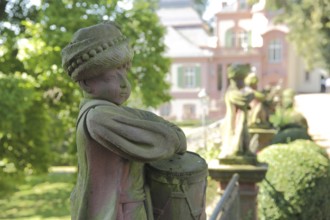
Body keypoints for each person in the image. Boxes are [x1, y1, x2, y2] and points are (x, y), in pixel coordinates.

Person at [61, 22, 186, 220]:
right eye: (113, 75)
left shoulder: (114, 112)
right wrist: (175, 137)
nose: (124, 83)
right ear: (87, 83)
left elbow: (149, 121)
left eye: (124, 72)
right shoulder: (99, 117)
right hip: (116, 212)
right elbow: (161, 141)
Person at [219, 64, 254, 159]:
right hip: (233, 123)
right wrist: (251, 94)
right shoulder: (231, 92)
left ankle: (242, 150)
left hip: (241, 122)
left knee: (243, 135)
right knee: (236, 138)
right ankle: (237, 151)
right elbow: (244, 98)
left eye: (241, 80)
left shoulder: (239, 91)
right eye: (238, 80)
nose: (240, 83)